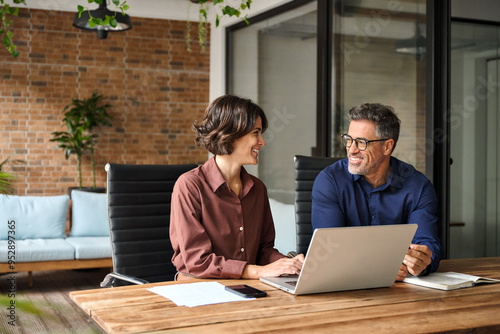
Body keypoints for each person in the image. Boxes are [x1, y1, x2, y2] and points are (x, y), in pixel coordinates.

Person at [170, 94, 304, 280]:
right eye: (255, 133)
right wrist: (258, 271)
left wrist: (289, 264)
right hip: (199, 286)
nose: (262, 142)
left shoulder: (257, 188)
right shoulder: (190, 186)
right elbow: (197, 261)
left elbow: (263, 250)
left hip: (246, 285)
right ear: (231, 135)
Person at [311, 103, 441, 280]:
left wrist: (420, 263)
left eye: (361, 142)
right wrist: (378, 267)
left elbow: (427, 245)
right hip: (341, 289)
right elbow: (327, 251)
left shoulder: (419, 187)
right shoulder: (330, 181)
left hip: (401, 291)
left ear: (387, 147)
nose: (351, 149)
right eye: (349, 139)